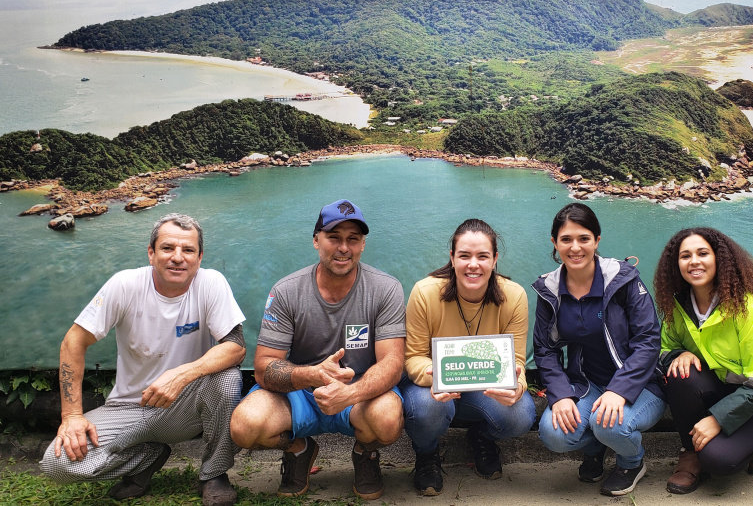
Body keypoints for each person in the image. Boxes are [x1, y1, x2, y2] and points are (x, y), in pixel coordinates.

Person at [40, 213, 246, 506]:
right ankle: (146, 457)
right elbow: (74, 341)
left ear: (200, 257)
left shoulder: (211, 283)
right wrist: (71, 416)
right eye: (167, 248)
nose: (178, 258)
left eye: (188, 250)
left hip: (184, 407)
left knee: (227, 377)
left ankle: (214, 473)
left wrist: (182, 374)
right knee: (57, 463)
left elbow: (236, 346)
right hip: (129, 407)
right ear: (151, 253)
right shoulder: (124, 284)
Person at [229, 199, 405, 501]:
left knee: (388, 420)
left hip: (360, 392)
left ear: (363, 244)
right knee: (245, 426)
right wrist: (313, 374)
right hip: (300, 394)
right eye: (333, 237)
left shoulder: (386, 289)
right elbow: (263, 367)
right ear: (315, 241)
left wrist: (349, 393)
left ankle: (365, 453)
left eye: (353, 239)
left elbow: (392, 361)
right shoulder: (286, 291)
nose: (343, 248)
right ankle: (299, 450)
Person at [653, 227, 753, 494]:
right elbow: (664, 348)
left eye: (703, 253)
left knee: (718, 460)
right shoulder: (678, 306)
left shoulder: (751, 307)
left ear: (720, 259)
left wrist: (718, 419)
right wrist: (679, 354)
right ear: (677, 265)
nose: (694, 261)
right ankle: (690, 453)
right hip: (725, 390)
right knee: (679, 373)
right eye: (685, 256)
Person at [533, 203, 665, 497]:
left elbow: (648, 340)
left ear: (597, 241)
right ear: (555, 243)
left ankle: (631, 462)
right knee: (553, 433)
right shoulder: (550, 289)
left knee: (612, 426)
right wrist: (561, 394)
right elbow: (545, 349)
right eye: (566, 239)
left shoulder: (623, 280)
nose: (575, 247)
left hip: (641, 385)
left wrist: (619, 390)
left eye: (584, 238)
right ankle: (594, 448)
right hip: (588, 383)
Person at [399, 219, 536, 496]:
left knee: (521, 414)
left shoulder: (514, 296)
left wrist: (517, 386)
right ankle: (427, 453)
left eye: (482, 256)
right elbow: (412, 357)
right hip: (432, 388)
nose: (473, 264)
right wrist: (435, 375)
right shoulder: (425, 293)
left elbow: (517, 361)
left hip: (480, 390)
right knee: (428, 409)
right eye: (464, 255)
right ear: (452, 258)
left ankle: (481, 436)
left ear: (495, 259)